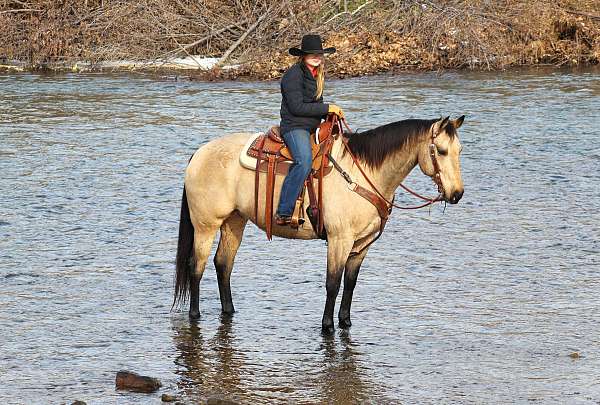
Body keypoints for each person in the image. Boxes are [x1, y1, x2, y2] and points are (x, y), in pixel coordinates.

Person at [275, 34, 344, 226]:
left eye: (319, 54)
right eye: (312, 54)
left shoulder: (316, 75)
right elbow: (297, 107)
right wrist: (327, 108)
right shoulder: (293, 75)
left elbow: (316, 106)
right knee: (304, 162)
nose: (317, 57)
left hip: (311, 127)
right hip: (294, 127)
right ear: (303, 56)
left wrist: (330, 117)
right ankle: (284, 211)